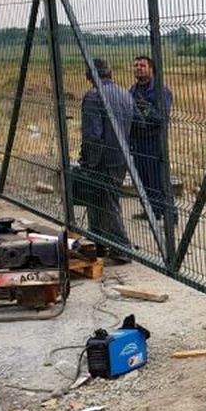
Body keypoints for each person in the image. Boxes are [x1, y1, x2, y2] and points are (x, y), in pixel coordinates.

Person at [78, 57, 135, 261]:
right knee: (101, 200)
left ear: (89, 75)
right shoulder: (125, 94)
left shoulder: (93, 96)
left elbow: (92, 135)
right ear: (109, 72)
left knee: (105, 202)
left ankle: (122, 247)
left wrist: (87, 161)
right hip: (121, 156)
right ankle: (97, 242)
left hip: (101, 159)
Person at [127, 55, 175, 229]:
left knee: (159, 180)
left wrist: (146, 109)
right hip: (137, 141)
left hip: (154, 142)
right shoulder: (132, 90)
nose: (138, 68)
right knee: (143, 179)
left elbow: (162, 118)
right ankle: (151, 211)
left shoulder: (161, 91)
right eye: (136, 65)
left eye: (142, 65)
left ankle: (170, 216)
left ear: (151, 69)